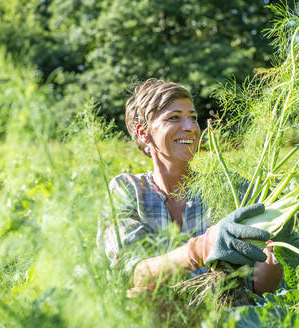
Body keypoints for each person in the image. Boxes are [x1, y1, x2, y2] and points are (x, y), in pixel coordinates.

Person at [103, 78, 283, 298]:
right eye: (174, 118)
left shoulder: (233, 187)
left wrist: (275, 250)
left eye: (193, 118)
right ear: (143, 132)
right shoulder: (128, 190)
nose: (190, 127)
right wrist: (202, 248)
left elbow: (262, 287)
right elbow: (132, 272)